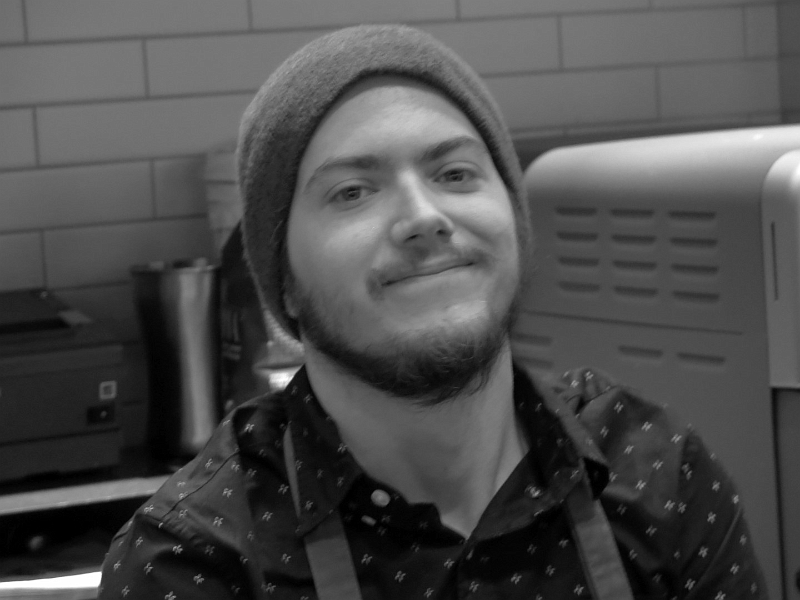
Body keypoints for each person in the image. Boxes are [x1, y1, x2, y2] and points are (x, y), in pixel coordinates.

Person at [98, 24, 767, 599]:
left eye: (455, 174)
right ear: (285, 282)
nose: (423, 216)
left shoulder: (656, 473)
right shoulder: (195, 562)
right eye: (353, 192)